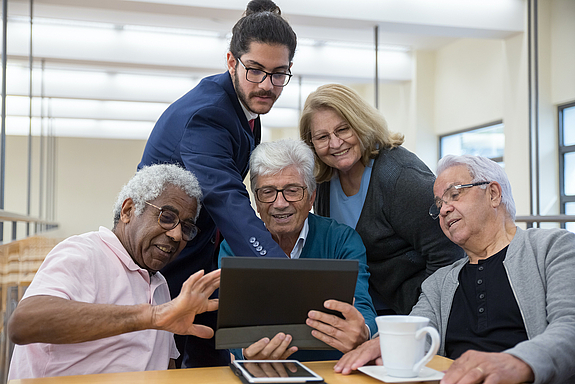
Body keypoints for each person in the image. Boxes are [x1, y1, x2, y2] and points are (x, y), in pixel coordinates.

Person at [137, 0, 297, 367]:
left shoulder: (243, 105)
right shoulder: (207, 115)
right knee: (167, 364)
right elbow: (225, 196)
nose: (267, 85)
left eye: (279, 74)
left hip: (199, 258)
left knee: (214, 358)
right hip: (164, 262)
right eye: (255, 70)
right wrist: (281, 271)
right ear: (231, 62)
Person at [334, 155, 575, 384]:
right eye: (439, 204)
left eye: (454, 194)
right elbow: (420, 330)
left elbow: (569, 327)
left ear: (493, 194)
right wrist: (381, 343)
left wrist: (517, 362)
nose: (443, 210)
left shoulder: (553, 249)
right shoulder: (440, 282)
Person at [7, 164, 221, 380]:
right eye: (166, 217)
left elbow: (166, 368)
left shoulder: (159, 284)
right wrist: (152, 316)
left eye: (186, 227)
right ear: (128, 211)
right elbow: (23, 324)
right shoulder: (84, 253)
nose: (176, 235)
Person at [299, 84, 463, 316]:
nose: (335, 144)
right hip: (361, 312)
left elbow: (450, 253)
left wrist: (420, 314)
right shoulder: (324, 179)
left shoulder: (400, 177)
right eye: (322, 137)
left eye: (343, 130)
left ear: (361, 123)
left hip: (409, 314)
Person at [218, 139, 377, 362]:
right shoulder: (235, 246)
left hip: (332, 370)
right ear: (255, 200)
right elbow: (226, 323)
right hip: (263, 374)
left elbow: (363, 309)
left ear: (311, 197)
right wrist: (243, 351)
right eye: (267, 192)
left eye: (292, 191)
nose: (280, 203)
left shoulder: (342, 240)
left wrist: (363, 332)